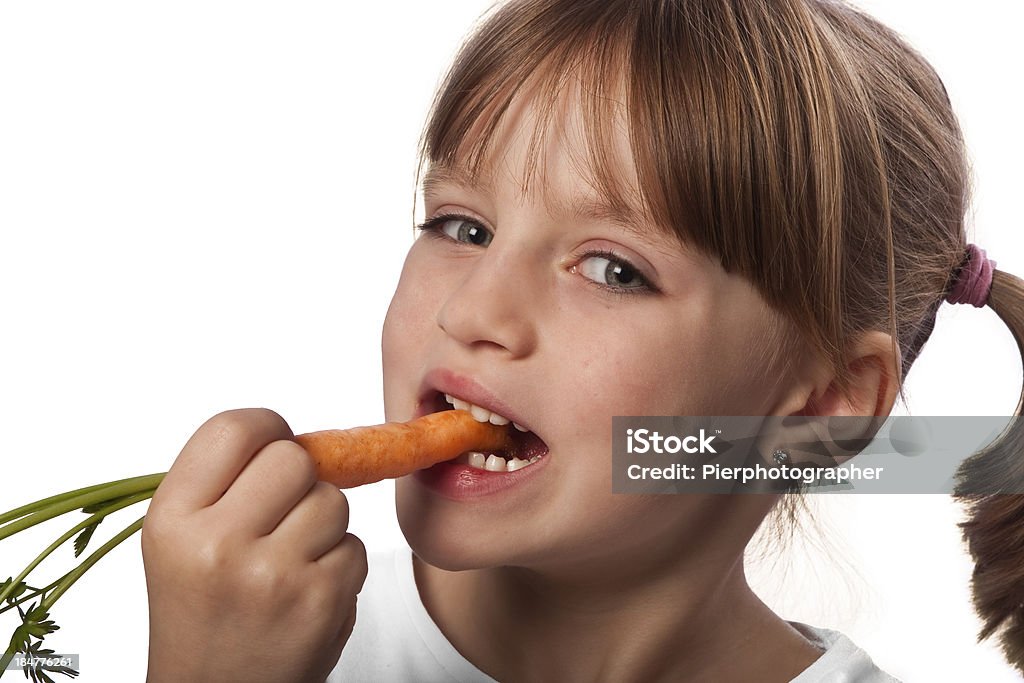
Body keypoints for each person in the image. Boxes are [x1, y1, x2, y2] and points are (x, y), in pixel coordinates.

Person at [140, 0, 1024, 680]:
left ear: (823, 407)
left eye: (612, 270)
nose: (473, 312)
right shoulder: (250, 635)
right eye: (462, 226)